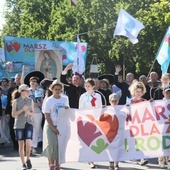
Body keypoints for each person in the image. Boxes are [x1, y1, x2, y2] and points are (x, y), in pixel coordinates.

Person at [41, 80, 69, 170]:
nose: (57, 91)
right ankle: (51, 163)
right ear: (52, 89)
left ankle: (57, 164)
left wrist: (67, 109)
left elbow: (68, 113)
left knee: (59, 145)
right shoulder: (49, 100)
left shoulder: (65, 99)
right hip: (50, 125)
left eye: (59, 89)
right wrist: (53, 128)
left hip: (61, 125)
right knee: (51, 144)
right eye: (56, 89)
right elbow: (47, 115)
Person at [79, 78, 102, 168]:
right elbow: (80, 109)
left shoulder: (98, 96)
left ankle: (93, 158)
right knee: (88, 140)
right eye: (86, 86)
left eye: (89, 86)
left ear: (93, 86)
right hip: (86, 120)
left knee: (94, 140)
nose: (87, 88)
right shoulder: (83, 96)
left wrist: (97, 119)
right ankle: (89, 158)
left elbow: (99, 108)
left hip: (95, 120)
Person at [12, 84, 34, 170]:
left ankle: (28, 159)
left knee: (28, 142)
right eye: (26, 90)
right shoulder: (16, 101)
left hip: (29, 123)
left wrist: (28, 112)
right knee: (21, 145)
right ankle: (23, 163)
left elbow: (32, 112)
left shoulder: (30, 100)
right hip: (19, 124)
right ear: (22, 92)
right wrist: (22, 110)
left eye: (28, 91)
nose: (28, 92)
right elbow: (13, 114)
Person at [129, 81, 148, 166]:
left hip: (142, 123)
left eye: (140, 91)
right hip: (133, 123)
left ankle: (142, 158)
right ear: (134, 91)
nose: (139, 93)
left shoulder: (145, 101)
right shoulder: (130, 101)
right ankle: (133, 156)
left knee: (142, 140)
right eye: (137, 91)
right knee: (134, 141)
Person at [5, 73, 21, 150]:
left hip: (22, 112)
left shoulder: (25, 88)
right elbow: (8, 101)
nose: (18, 80)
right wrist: (7, 112)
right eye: (17, 78)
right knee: (12, 127)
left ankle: (21, 143)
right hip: (13, 111)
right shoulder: (11, 89)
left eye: (19, 78)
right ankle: (15, 143)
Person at [108, 93, 120, 170]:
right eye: (113, 101)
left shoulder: (121, 109)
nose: (114, 102)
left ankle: (117, 163)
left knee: (118, 147)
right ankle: (111, 163)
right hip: (110, 132)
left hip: (118, 131)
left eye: (115, 101)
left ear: (118, 101)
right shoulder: (106, 109)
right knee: (110, 148)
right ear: (110, 101)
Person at [162, 86, 170, 170]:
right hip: (163, 127)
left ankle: (169, 161)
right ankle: (163, 158)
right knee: (165, 144)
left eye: (169, 92)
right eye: (167, 92)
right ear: (163, 93)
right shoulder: (159, 102)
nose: (168, 94)